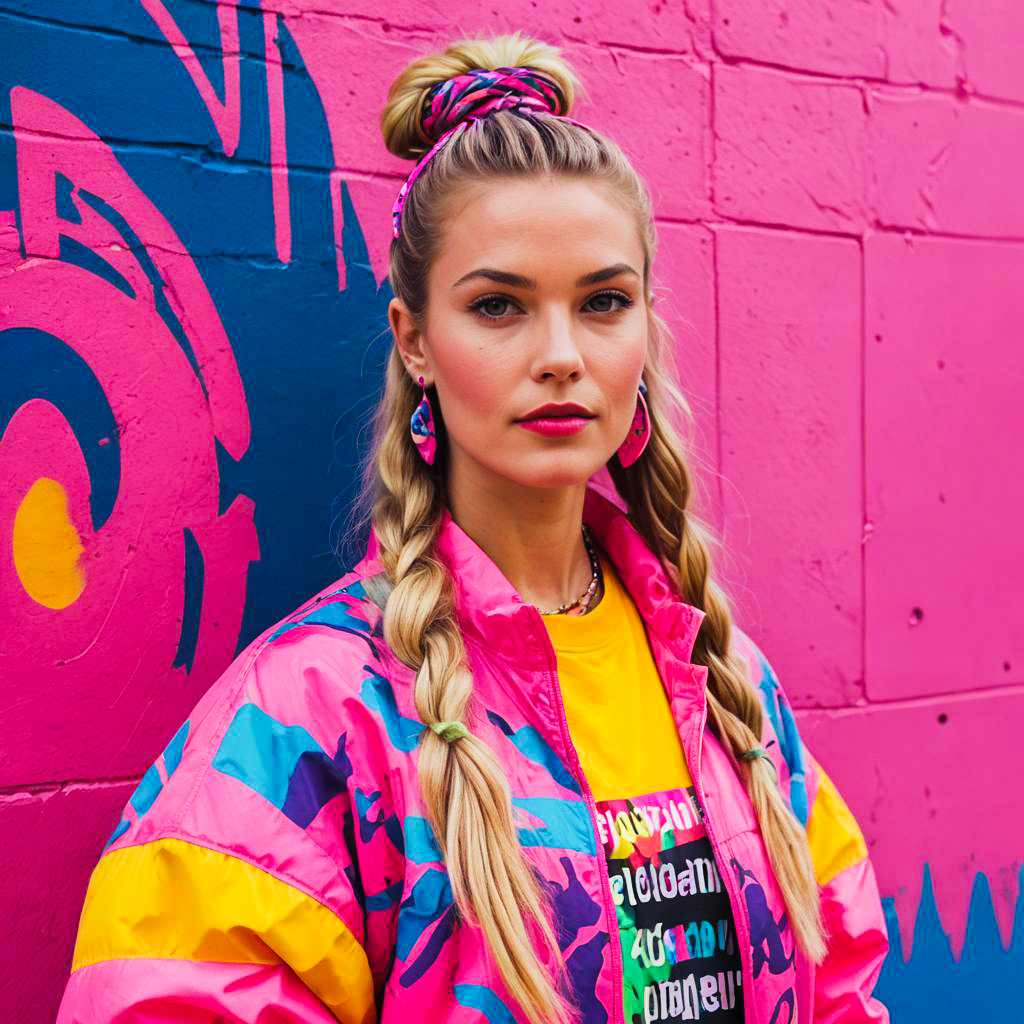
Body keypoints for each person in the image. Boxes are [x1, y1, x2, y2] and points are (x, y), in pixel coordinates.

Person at [56, 33, 890, 1024]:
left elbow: (838, 991)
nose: (559, 355)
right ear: (414, 338)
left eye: (603, 303)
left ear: (644, 326)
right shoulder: (315, 718)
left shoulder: (729, 690)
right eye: (498, 305)